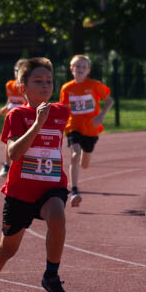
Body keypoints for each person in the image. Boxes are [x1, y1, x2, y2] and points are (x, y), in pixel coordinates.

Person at [0, 57, 72, 292]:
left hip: (52, 186)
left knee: (58, 216)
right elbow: (13, 154)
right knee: (8, 249)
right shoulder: (16, 115)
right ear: (23, 88)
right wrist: (37, 124)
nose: (45, 86)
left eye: (49, 81)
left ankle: (51, 276)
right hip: (20, 193)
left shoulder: (61, 112)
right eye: (38, 82)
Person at [58, 54, 113, 207]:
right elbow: (63, 108)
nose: (80, 69)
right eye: (77, 66)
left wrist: (101, 116)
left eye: (83, 67)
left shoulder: (94, 85)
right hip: (73, 126)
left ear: (88, 70)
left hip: (91, 128)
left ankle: (84, 157)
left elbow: (109, 101)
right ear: (71, 69)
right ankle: (74, 190)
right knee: (75, 155)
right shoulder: (67, 88)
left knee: (85, 163)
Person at [0, 58, 28, 177]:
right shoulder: (9, 85)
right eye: (17, 70)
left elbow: (29, 101)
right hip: (12, 117)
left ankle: (23, 166)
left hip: (24, 117)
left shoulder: (25, 87)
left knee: (24, 143)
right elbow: (10, 98)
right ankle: (7, 165)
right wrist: (6, 107)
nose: (18, 73)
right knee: (9, 141)